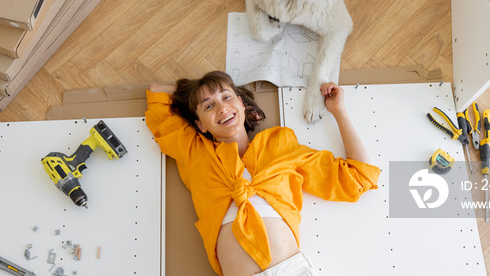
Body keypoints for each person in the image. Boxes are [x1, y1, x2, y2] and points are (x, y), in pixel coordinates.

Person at [146, 71, 380, 276]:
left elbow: (360, 176)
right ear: (201, 125)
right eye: (209, 105)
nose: (222, 107)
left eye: (226, 97)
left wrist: (338, 111)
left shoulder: (281, 146)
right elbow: (156, 94)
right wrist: (193, 91)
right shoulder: (195, 152)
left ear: (241, 103)